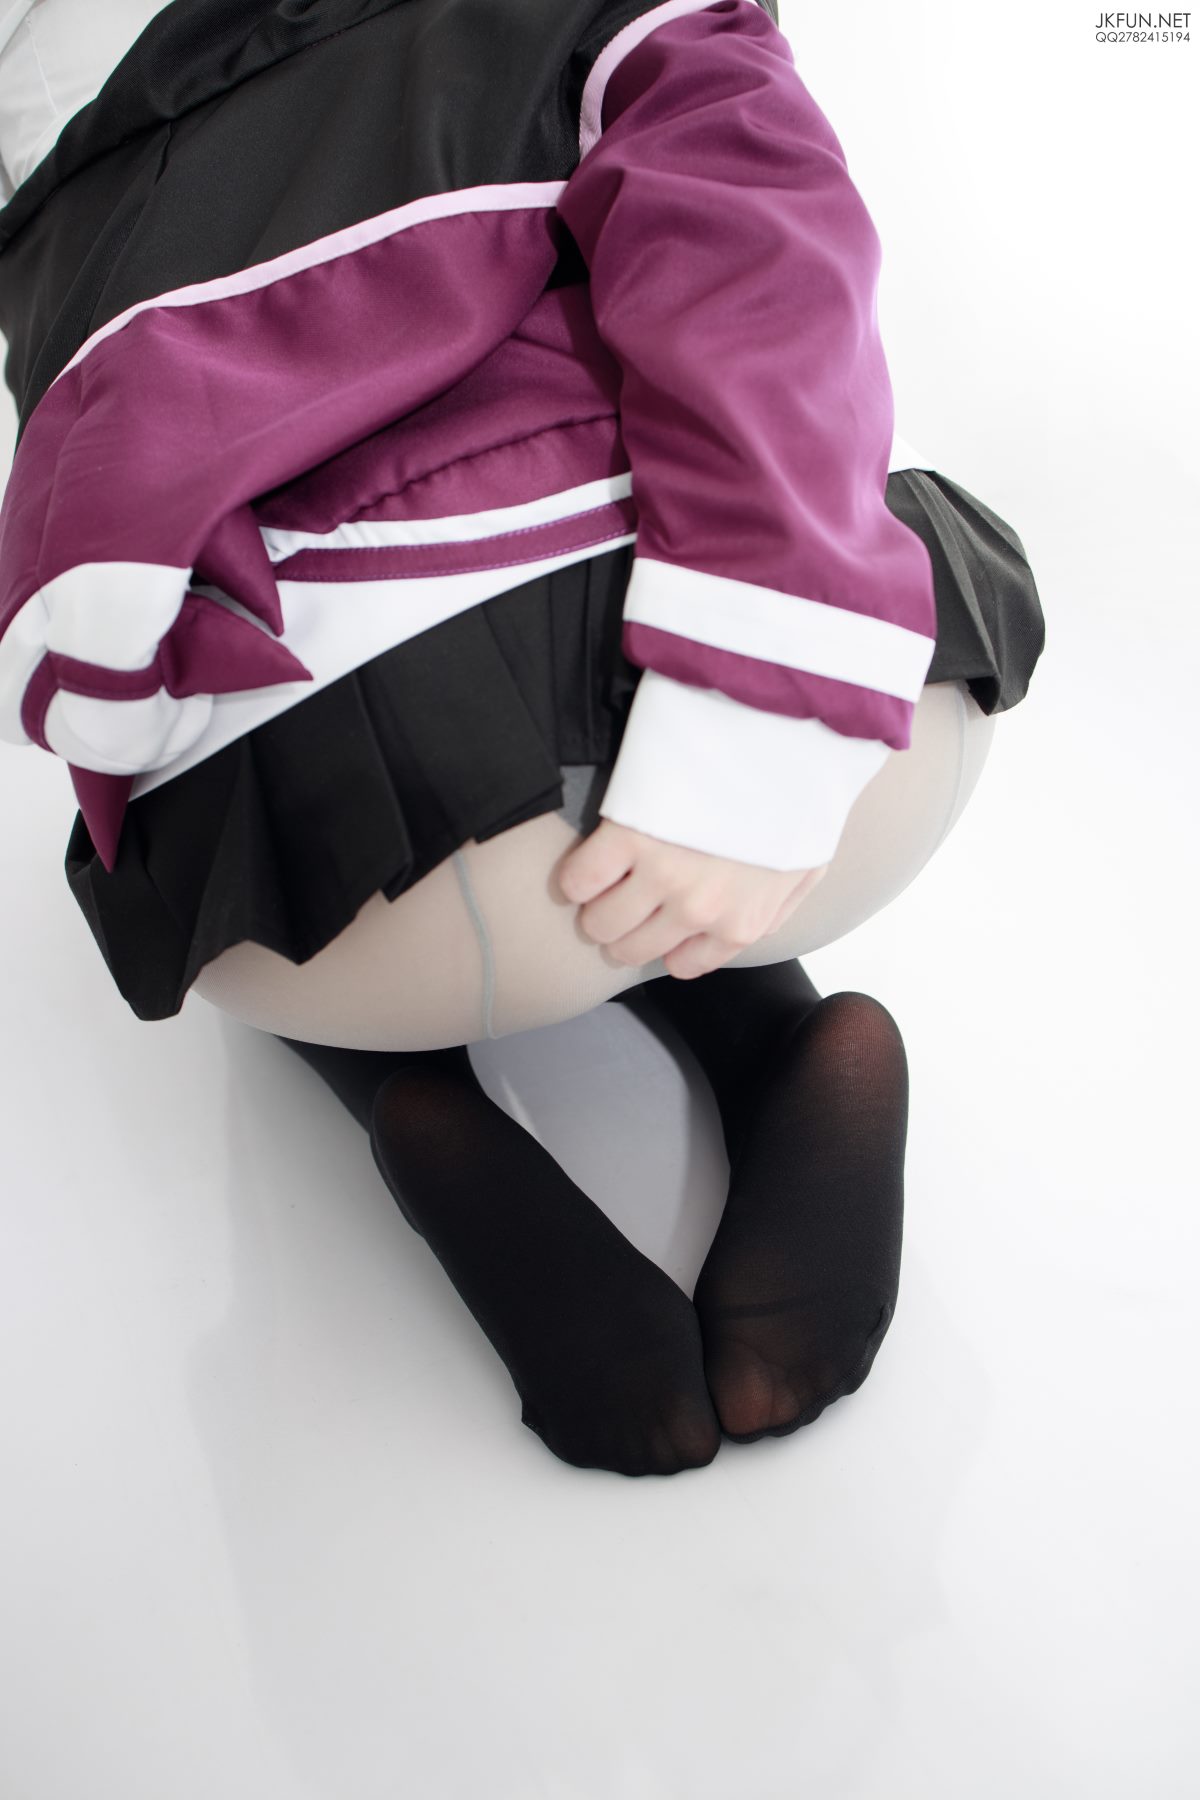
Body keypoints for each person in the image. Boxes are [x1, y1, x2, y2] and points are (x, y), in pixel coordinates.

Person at [0, 0, 1045, 1477]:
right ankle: (776, 1028)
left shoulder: (45, 107)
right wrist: (754, 714)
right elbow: (757, 233)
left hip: (363, 851)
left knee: (231, 815)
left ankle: (408, 1088)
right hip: (869, 744)